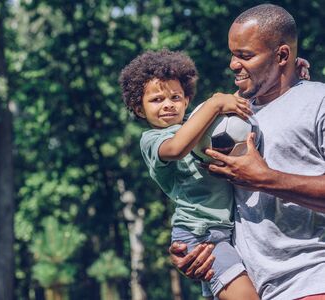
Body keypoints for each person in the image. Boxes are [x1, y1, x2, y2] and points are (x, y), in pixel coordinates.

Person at [169, 4, 325, 300]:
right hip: (252, 289)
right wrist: (194, 246)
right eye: (232, 53)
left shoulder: (318, 102)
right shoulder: (226, 115)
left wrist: (266, 179)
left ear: (282, 56)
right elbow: (206, 199)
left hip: (312, 282)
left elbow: (262, 181)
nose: (232, 64)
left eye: (245, 55)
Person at [119, 49, 259, 299]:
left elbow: (241, 102)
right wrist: (216, 102)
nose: (168, 104)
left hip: (225, 233)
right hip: (199, 236)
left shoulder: (196, 127)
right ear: (138, 109)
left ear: (186, 100)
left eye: (175, 97)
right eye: (156, 100)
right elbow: (177, 148)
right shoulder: (152, 140)